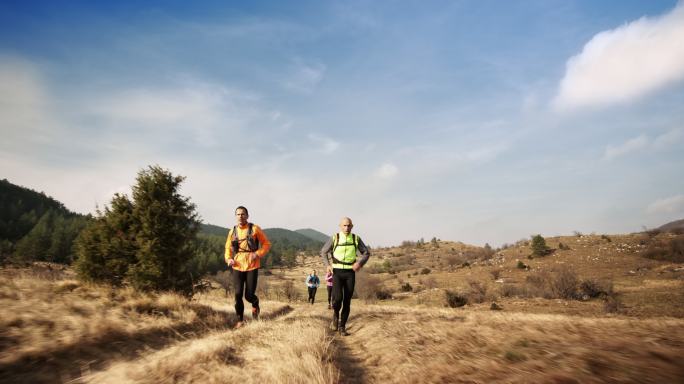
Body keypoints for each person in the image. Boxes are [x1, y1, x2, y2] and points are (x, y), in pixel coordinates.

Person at [320, 217, 371, 336]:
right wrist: (328, 265)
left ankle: (342, 327)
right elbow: (323, 251)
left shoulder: (356, 238)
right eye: (344, 225)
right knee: (337, 299)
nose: (346, 228)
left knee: (347, 301)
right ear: (340, 226)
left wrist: (360, 263)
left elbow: (366, 253)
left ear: (352, 226)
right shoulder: (335, 237)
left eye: (349, 226)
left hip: (350, 273)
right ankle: (335, 315)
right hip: (337, 272)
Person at [225, 206, 271, 329]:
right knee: (238, 294)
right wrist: (229, 258)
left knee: (249, 295)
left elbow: (266, 244)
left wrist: (257, 254)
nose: (240, 216)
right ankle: (240, 320)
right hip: (237, 266)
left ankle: (255, 304)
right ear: (235, 216)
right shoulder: (232, 231)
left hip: (252, 265)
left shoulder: (255, 229)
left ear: (247, 216)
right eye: (238, 214)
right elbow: (228, 248)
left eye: (243, 214)